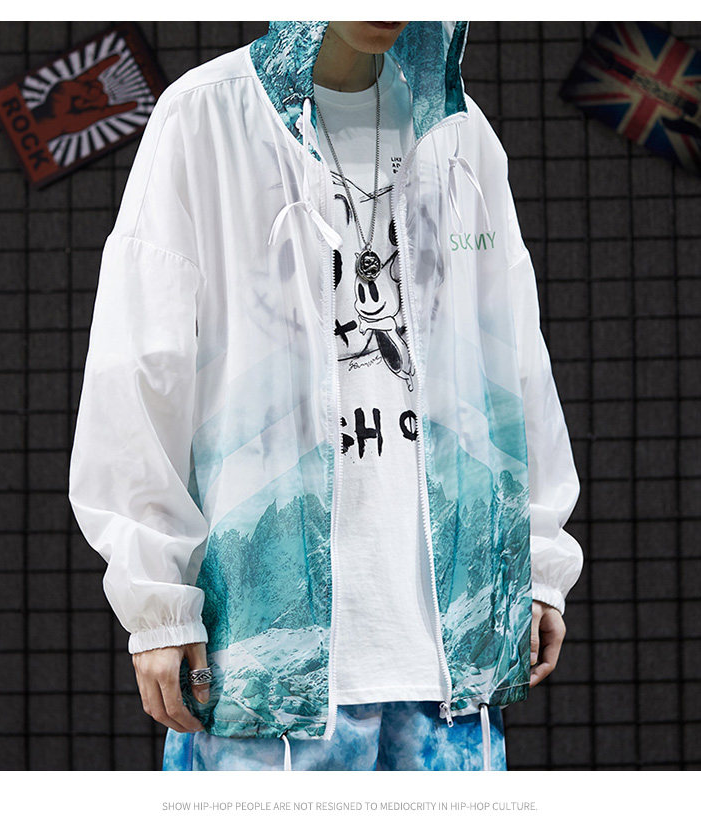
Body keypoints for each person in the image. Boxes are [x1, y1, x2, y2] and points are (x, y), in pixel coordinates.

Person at [69, 20, 583, 772]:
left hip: (450, 654)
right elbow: (139, 369)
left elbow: (513, 358)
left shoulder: (460, 134)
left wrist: (536, 557)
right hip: (265, 660)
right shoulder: (205, 116)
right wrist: (157, 602)